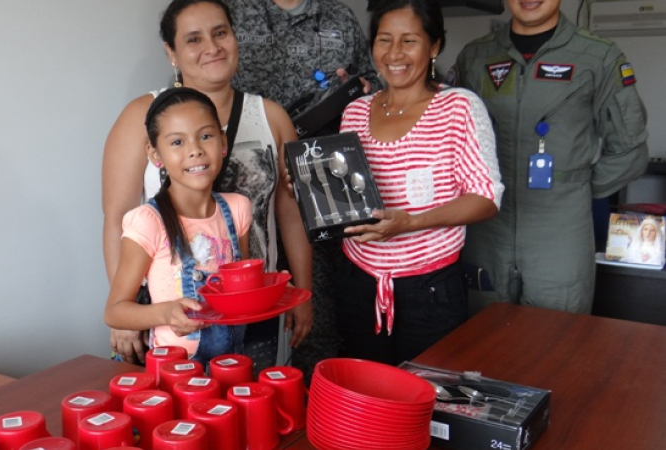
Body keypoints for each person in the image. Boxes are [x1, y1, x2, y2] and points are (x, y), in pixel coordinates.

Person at [101, 0, 312, 367]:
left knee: (251, 408)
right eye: (193, 39)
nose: (212, 48)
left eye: (220, 33)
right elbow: (117, 216)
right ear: (172, 52)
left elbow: (291, 214)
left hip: (251, 310)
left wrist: (304, 293)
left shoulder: (272, 116)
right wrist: (127, 310)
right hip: (172, 321)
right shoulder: (141, 116)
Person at [450, 0, 650, 314]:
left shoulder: (598, 56)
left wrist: (573, 187)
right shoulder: (475, 57)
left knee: (557, 344)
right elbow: (448, 143)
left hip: (560, 234)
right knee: (480, 342)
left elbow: (630, 152)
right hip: (486, 230)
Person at [334, 0, 503, 366]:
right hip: (357, 282)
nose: (394, 54)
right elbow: (345, 196)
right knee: (368, 398)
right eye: (384, 40)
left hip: (429, 292)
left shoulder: (458, 107)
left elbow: (486, 197)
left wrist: (411, 222)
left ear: (434, 46)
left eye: (409, 40)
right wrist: (305, 189)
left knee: (425, 405)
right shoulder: (356, 111)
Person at [225, 0, 381, 382]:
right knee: (235, 329)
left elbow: (374, 84)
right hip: (246, 190)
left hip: (318, 190)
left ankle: (311, 420)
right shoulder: (231, 11)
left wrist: (359, 90)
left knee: (317, 321)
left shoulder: (339, 16)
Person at [104, 87, 252, 365]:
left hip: (231, 366)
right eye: (177, 142)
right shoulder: (149, 222)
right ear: (154, 154)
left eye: (205, 136)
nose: (195, 150)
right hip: (175, 374)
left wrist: (274, 287)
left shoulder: (237, 208)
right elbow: (115, 311)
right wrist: (165, 313)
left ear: (222, 143)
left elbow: (241, 285)